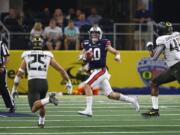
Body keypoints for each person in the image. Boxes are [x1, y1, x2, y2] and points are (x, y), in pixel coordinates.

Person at [11, 35, 73, 128]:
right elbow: (61, 70)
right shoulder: (48, 55)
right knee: (41, 104)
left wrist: (14, 88)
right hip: (44, 82)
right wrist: (69, 83)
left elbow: (20, 73)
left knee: (33, 108)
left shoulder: (27, 55)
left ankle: (49, 99)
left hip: (33, 83)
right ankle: (41, 121)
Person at [78, 26, 140, 117]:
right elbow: (81, 54)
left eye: (96, 33)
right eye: (93, 33)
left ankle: (88, 110)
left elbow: (116, 52)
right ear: (90, 34)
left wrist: (117, 56)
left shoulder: (104, 43)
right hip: (94, 71)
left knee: (87, 85)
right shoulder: (86, 43)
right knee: (111, 95)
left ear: (100, 34)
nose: (94, 35)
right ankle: (132, 100)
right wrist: (82, 57)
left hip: (101, 70)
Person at [141, 21, 180, 118]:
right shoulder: (177, 34)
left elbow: (154, 57)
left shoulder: (162, 39)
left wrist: (150, 48)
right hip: (174, 67)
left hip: (177, 66)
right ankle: (155, 110)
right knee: (154, 82)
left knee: (154, 83)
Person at [0, 40, 15, 113]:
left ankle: (11, 105)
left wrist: (3, 66)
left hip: (0, 67)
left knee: (3, 87)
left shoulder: (1, 43)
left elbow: (7, 56)